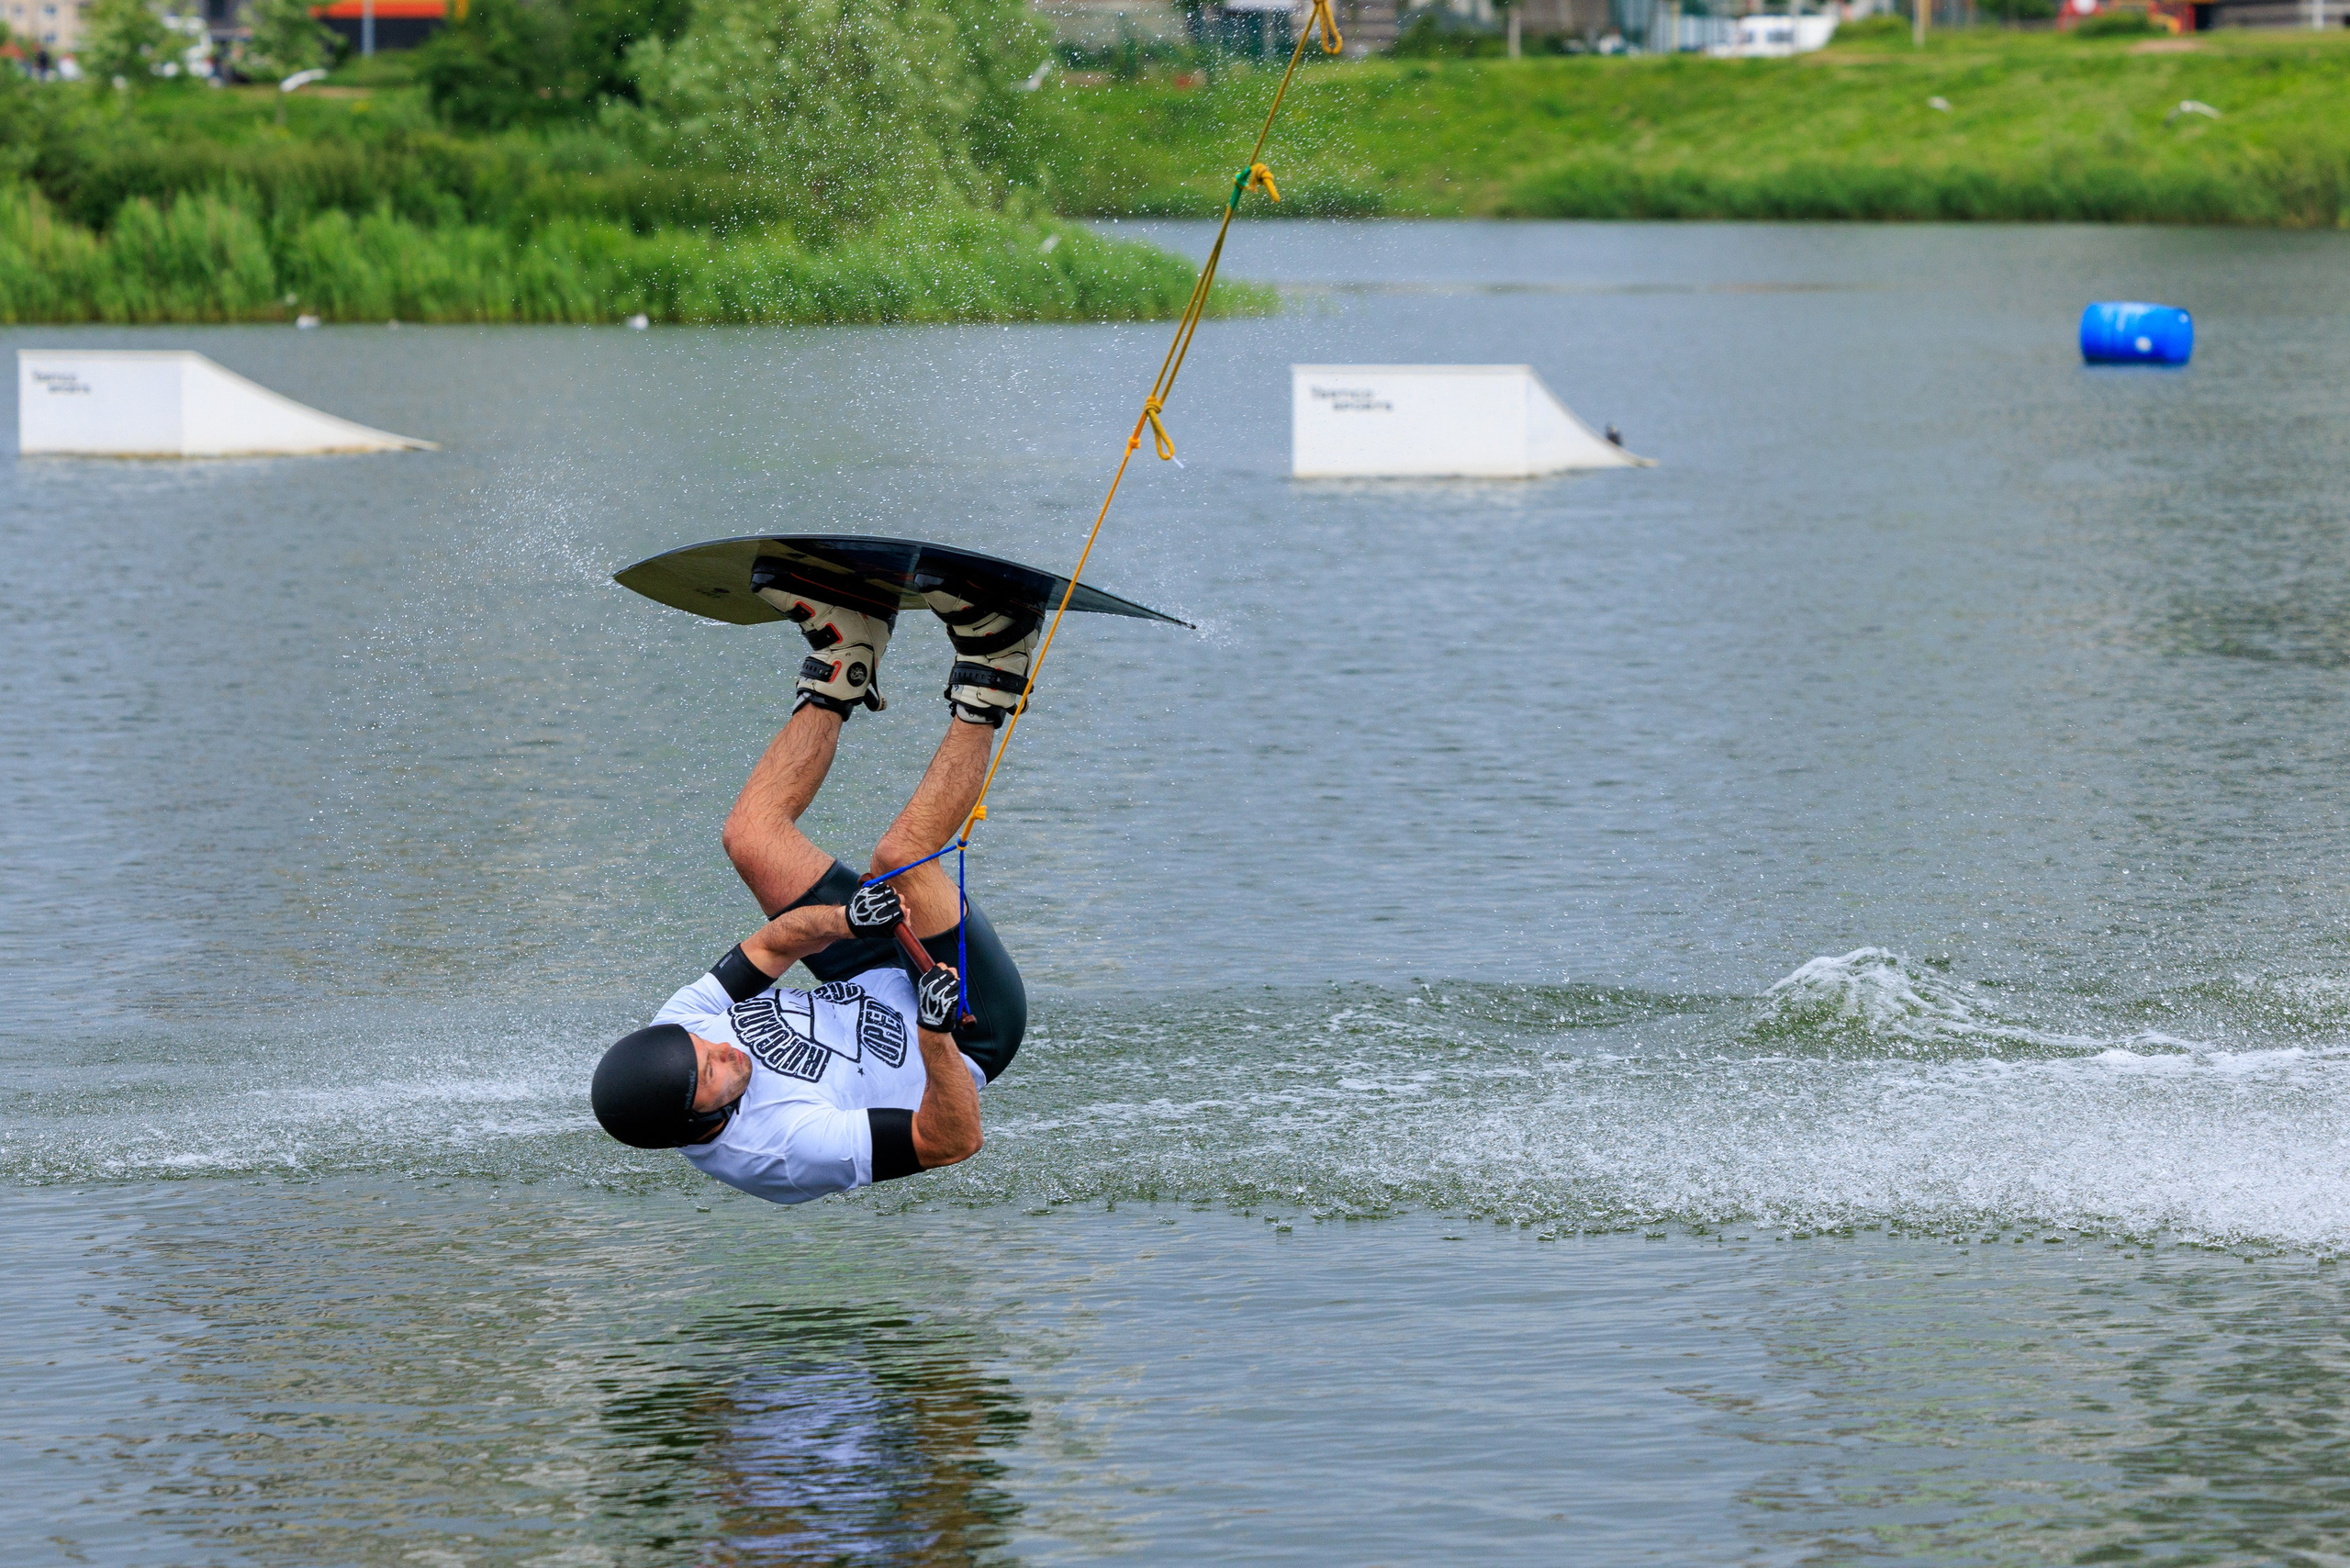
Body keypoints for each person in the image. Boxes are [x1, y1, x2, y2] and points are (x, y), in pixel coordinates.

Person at [590, 572, 1040, 1202]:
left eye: (707, 1046)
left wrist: (848, 920)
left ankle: (844, 657)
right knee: (902, 856)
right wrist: (935, 1032)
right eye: (715, 1074)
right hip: (964, 1026)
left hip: (870, 968)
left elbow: (772, 949)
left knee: (750, 838)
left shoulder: (679, 1033)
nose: (726, 1052)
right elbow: (952, 1142)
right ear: (700, 1121)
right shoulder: (781, 1151)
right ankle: (998, 661)